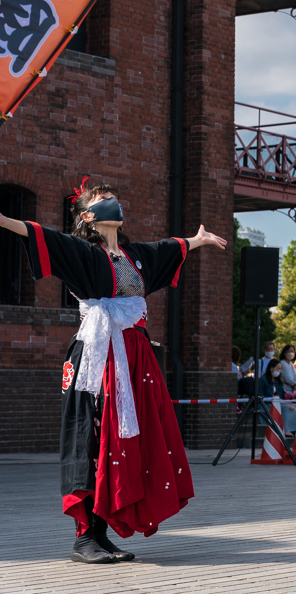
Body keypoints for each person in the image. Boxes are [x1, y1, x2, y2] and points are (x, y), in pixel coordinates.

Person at [2, 179, 225, 564]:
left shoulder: (135, 256)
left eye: (114, 199)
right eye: (105, 200)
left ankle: (101, 533)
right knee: (92, 436)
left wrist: (197, 240)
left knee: (121, 444)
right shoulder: (83, 253)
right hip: (98, 356)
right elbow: (41, 234)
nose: (114, 204)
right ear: (88, 216)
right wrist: (3, 219)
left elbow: (169, 248)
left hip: (135, 358)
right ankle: (83, 537)